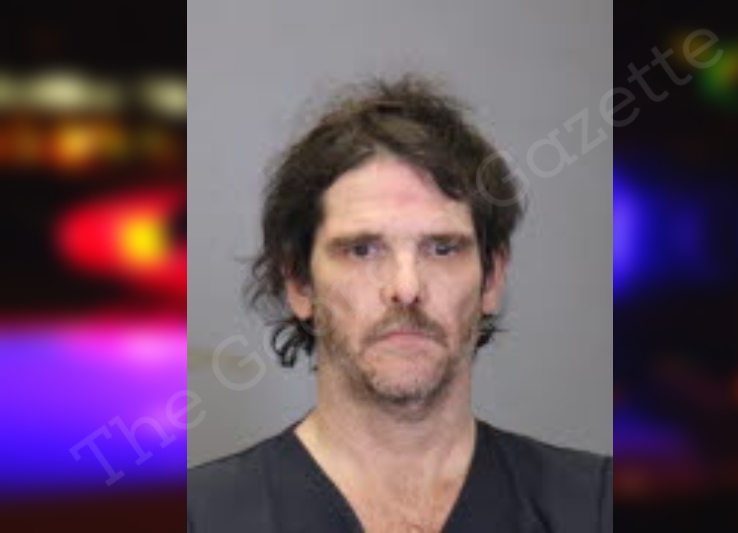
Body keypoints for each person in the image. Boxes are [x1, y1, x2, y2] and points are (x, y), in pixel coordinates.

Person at [187, 75, 612, 533]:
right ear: (299, 284)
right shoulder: (201, 515)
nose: (406, 288)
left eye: (442, 249)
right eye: (362, 250)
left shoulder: (595, 508)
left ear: (492, 278)